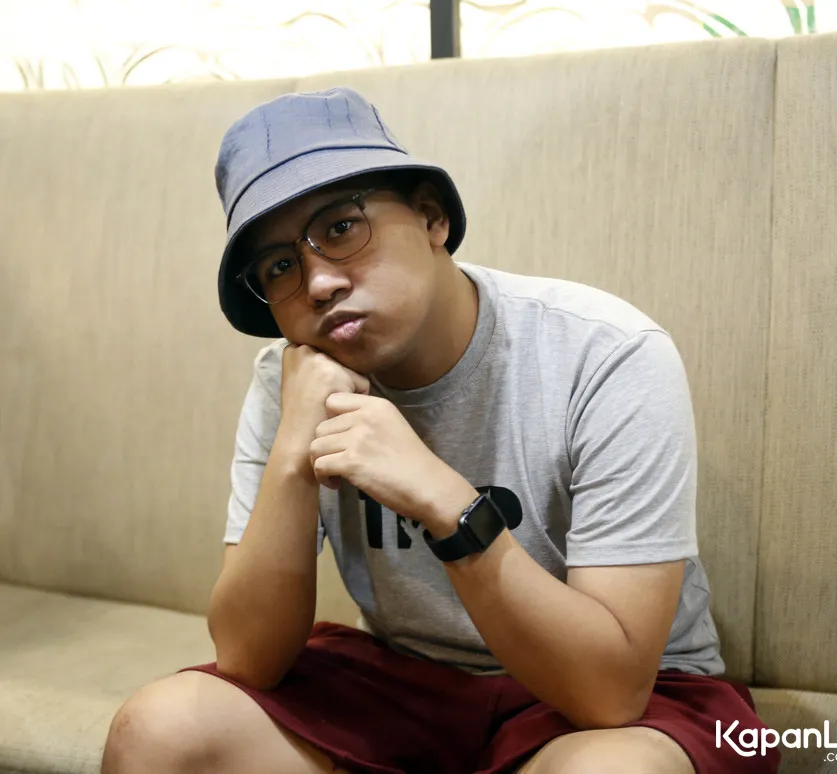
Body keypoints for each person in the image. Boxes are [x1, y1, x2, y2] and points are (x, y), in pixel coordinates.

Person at [101, 87, 779, 774]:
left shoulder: (605, 354)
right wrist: (292, 457)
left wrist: (446, 504)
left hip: (617, 693)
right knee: (159, 730)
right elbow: (248, 659)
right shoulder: (291, 382)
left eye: (341, 228)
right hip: (407, 679)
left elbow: (610, 691)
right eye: (280, 266)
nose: (319, 284)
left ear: (431, 217)